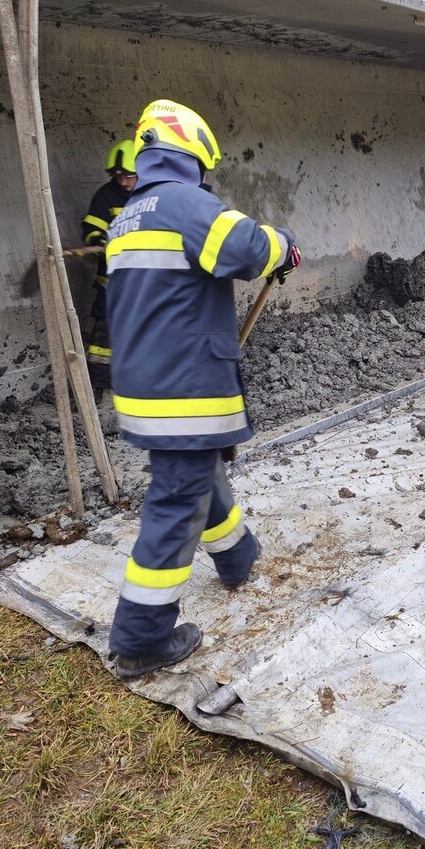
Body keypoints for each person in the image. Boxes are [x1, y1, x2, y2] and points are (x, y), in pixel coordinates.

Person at [105, 99, 300, 679]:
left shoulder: (129, 214)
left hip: (147, 384)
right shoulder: (186, 203)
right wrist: (284, 242)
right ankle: (141, 638)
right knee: (176, 500)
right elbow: (245, 249)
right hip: (184, 387)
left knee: (198, 470)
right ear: (192, 152)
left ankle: (237, 557)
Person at [81, 141, 137, 396]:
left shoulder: (153, 195)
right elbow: (92, 228)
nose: (124, 182)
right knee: (104, 337)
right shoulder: (106, 196)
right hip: (112, 281)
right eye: (119, 176)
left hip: (145, 280)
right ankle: (97, 388)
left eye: (130, 176)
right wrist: (99, 240)